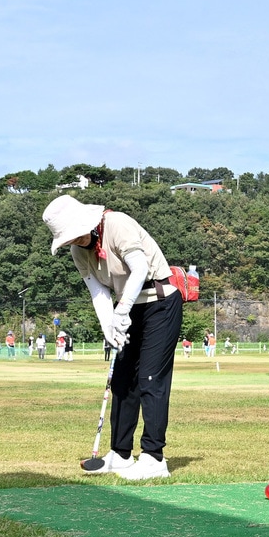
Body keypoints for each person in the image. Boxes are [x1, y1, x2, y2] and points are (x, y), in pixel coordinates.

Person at [44, 195, 184, 480]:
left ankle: (153, 458)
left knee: (149, 379)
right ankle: (120, 454)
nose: (74, 241)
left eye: (74, 234)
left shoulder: (117, 224)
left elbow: (140, 270)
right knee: (121, 381)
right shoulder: (79, 251)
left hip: (160, 302)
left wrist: (121, 312)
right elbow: (98, 292)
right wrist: (109, 328)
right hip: (128, 307)